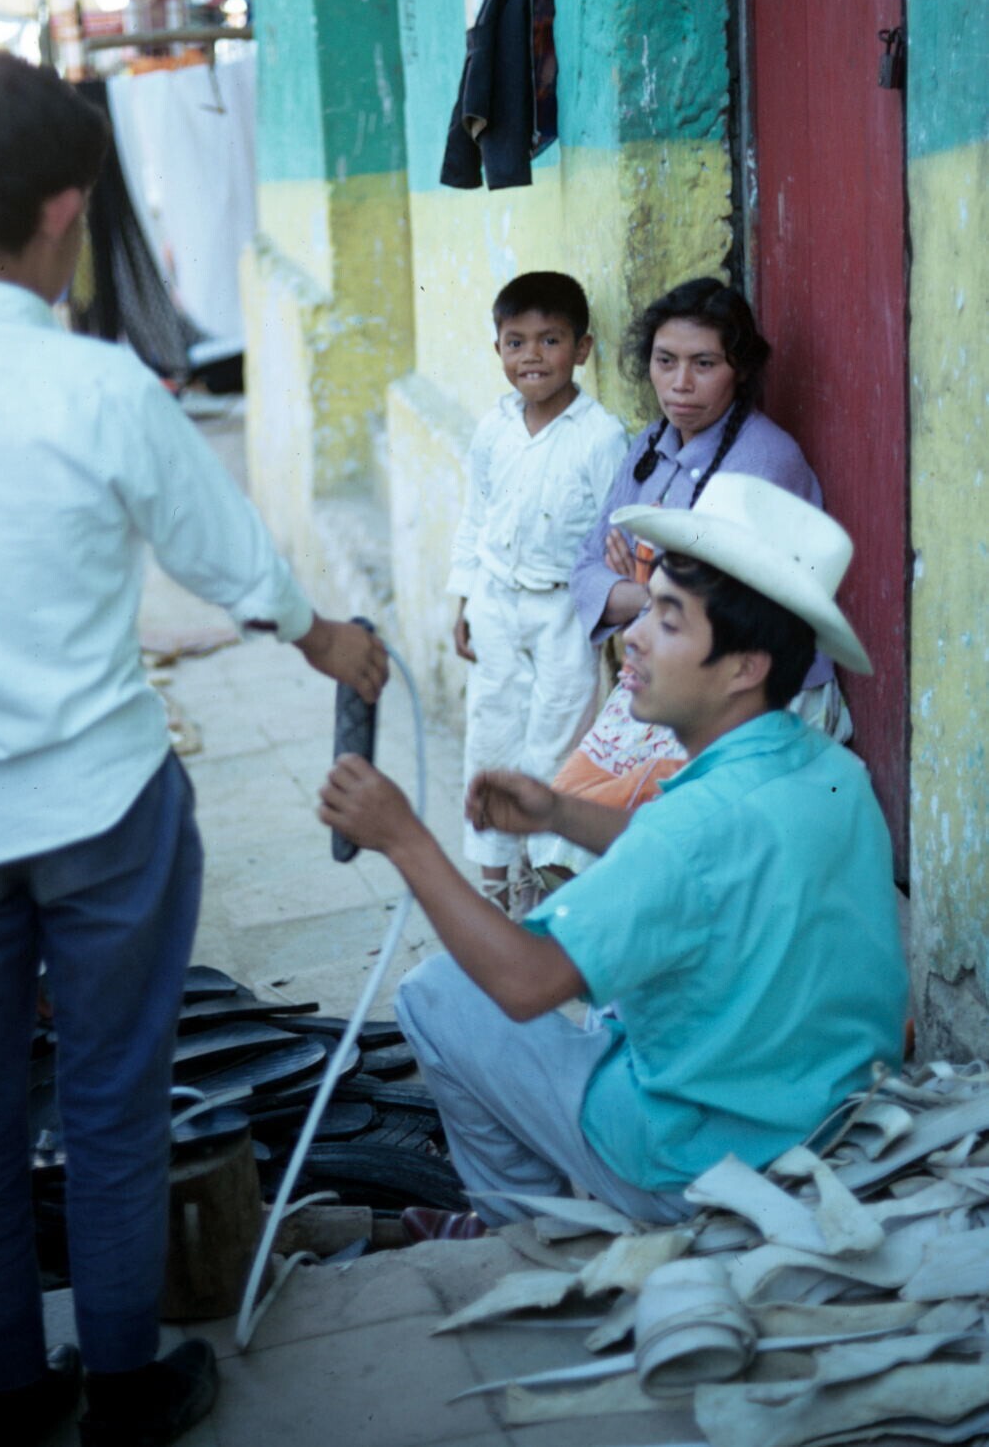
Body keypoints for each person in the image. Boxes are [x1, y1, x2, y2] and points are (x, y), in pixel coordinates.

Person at [0, 50, 387, 1447]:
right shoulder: (97, 387)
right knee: (112, 1103)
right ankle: (128, 1389)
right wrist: (328, 640)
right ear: (66, 209)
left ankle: (7, 1408)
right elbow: (233, 562)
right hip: (100, 814)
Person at [320, 474, 908, 1227]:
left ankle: (518, 1225)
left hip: (691, 1168)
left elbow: (525, 983)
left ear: (743, 667)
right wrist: (563, 813)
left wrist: (404, 838)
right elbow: (709, 867)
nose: (633, 634)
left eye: (668, 620)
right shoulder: (833, 772)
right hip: (827, 1128)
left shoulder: (688, 830)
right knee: (615, 993)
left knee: (436, 993)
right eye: (647, 605)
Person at [530, 276, 849, 877]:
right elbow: (586, 569)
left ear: (740, 371)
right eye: (665, 361)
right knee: (571, 833)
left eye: (704, 364)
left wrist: (640, 583)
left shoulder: (764, 460)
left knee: (651, 856)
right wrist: (659, 591)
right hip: (672, 668)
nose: (680, 384)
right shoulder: (650, 445)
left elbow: (721, 614)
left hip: (749, 689)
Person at [447, 270, 627, 905]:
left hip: (563, 611)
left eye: (550, 340)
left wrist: (615, 624)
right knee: (491, 732)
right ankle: (496, 883)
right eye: (516, 342)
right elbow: (477, 515)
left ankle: (546, 878)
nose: (532, 357)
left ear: (582, 349)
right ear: (497, 349)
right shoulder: (494, 429)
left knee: (559, 739)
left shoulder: (600, 436)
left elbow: (615, 534)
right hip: (496, 600)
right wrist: (464, 597)